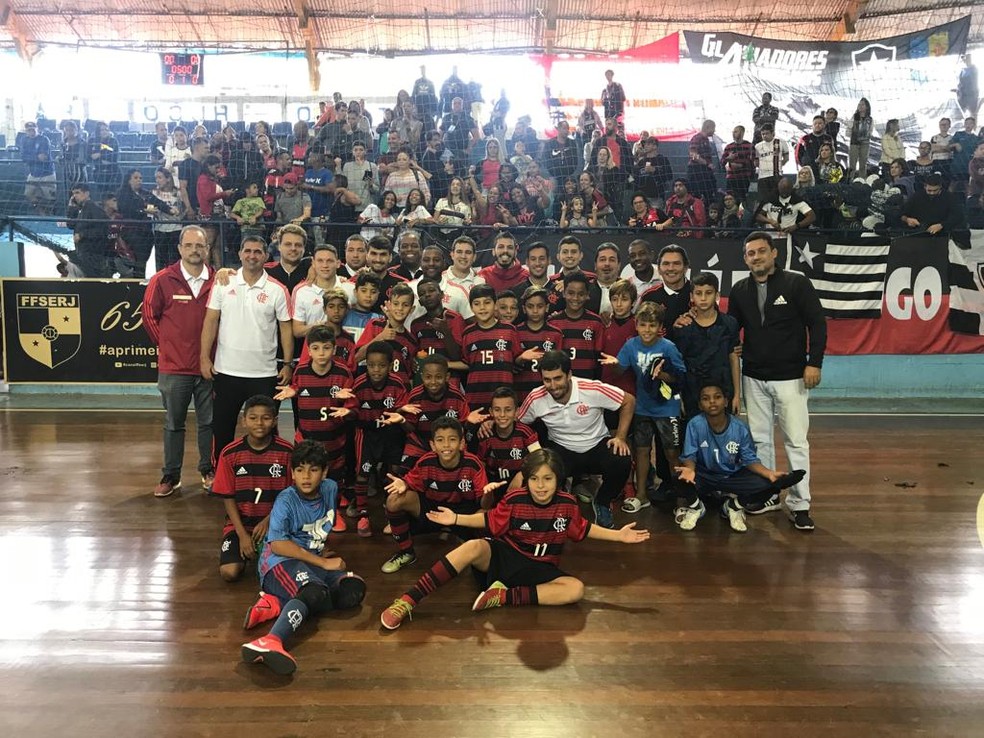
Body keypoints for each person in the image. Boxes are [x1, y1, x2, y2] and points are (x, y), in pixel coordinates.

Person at [380, 447, 650, 630]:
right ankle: (407, 600)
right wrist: (456, 519)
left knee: (575, 589)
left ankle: (504, 596)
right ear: (527, 480)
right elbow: (488, 520)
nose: (541, 485)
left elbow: (583, 528)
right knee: (473, 546)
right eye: (534, 479)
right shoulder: (515, 498)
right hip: (506, 557)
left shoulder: (567, 503)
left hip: (541, 568)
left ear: (559, 480)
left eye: (547, 479)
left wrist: (618, 536)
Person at [240, 440, 367, 676]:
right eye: (299, 470)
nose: (306, 477)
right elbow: (277, 545)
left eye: (313, 470)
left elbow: (319, 523)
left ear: (325, 472)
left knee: (353, 589)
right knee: (314, 592)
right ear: (292, 473)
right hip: (278, 563)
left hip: (308, 560)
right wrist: (322, 562)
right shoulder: (286, 500)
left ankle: (277, 603)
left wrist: (319, 550)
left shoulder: (329, 488)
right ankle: (271, 640)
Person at [727, 232, 826, 531]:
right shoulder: (739, 290)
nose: (756, 257)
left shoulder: (796, 283)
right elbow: (731, 330)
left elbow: (817, 324)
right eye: (750, 253)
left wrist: (814, 363)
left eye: (761, 251)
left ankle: (800, 503)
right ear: (745, 258)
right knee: (759, 440)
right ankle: (769, 494)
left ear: (773, 254)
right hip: (753, 376)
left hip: (792, 376)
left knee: (795, 441)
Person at [200, 236, 293, 466]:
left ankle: (269, 471)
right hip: (226, 372)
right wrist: (204, 358)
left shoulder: (277, 289)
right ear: (240, 254)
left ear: (265, 256)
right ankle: (219, 473)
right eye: (248, 251)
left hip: (264, 374)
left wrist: (288, 364)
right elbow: (211, 321)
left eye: (258, 252)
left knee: (266, 429)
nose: (252, 255)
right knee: (222, 428)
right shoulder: (223, 282)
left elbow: (286, 329)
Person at [517, 351, 634, 528]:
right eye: (547, 380)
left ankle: (602, 501)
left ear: (569, 375)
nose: (553, 385)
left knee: (622, 458)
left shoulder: (592, 388)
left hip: (596, 445)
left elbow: (629, 401)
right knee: (544, 463)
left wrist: (620, 437)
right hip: (562, 450)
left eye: (558, 378)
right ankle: (558, 503)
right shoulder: (535, 397)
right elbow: (518, 423)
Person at [142, 224, 216, 498]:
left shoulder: (219, 280)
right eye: (189, 245)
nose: (195, 250)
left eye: (200, 245)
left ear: (207, 249)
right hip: (174, 369)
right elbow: (149, 316)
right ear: (179, 249)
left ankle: (208, 470)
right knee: (174, 424)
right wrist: (168, 346)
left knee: (208, 423)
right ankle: (171, 475)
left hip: (209, 368)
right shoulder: (162, 279)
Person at [674, 383, 806, 533]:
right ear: (700, 405)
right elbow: (689, 454)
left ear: (726, 401)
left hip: (732, 476)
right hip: (706, 475)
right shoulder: (695, 424)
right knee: (678, 477)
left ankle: (733, 506)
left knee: (771, 485)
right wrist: (690, 470)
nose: (712, 401)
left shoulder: (740, 428)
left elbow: (749, 459)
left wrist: (769, 473)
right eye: (706, 399)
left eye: (717, 397)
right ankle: (697, 508)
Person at [381, 417, 500, 574]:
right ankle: (406, 552)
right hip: (433, 508)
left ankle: (484, 560)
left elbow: (485, 505)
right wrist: (404, 484)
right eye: (440, 440)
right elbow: (409, 482)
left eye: (452, 439)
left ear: (462, 443)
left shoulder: (473, 463)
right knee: (394, 500)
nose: (446, 445)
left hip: (462, 512)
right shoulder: (425, 461)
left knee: (486, 515)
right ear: (433, 445)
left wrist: (488, 494)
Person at [601, 302, 686, 515]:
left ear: (659, 327)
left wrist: (663, 375)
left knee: (672, 454)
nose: (647, 330)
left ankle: (683, 499)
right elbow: (621, 368)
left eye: (652, 325)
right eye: (643, 325)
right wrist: (614, 363)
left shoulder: (668, 347)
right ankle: (641, 495)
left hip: (668, 408)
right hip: (642, 408)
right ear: (636, 325)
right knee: (641, 451)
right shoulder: (631, 346)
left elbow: (681, 376)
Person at [272, 325, 355, 521]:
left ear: (334, 349)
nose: (321, 353)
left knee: (332, 476)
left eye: (326, 348)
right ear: (309, 350)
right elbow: (296, 386)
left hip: (334, 439)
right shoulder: (301, 370)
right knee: (306, 473)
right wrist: (292, 390)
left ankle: (332, 513)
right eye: (316, 348)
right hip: (306, 438)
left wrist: (348, 408)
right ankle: (303, 512)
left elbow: (353, 403)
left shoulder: (343, 373)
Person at [211, 395, 294, 582]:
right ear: (244, 420)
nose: (259, 423)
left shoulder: (287, 452)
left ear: (275, 422)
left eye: (266, 418)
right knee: (229, 573)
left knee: (279, 572)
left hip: (276, 523)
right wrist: (242, 535)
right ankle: (246, 548)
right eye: (253, 417)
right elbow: (228, 497)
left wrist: (269, 520)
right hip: (241, 525)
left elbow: (291, 495)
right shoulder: (230, 453)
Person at [349, 341, 407, 535]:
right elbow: (351, 410)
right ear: (366, 364)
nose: (376, 370)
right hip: (367, 434)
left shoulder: (397, 384)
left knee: (394, 471)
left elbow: (402, 410)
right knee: (363, 472)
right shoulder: (359, 384)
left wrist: (399, 414)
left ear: (390, 366)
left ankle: (391, 509)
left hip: (391, 434)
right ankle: (363, 514)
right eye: (371, 365)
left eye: (382, 365)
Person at [669, 272, 741, 418]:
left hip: (723, 392)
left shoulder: (730, 323)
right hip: (691, 394)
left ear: (717, 295)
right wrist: (680, 397)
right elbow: (678, 365)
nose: (703, 298)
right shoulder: (683, 327)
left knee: (722, 436)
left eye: (708, 293)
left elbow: (734, 358)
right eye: (698, 293)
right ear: (691, 297)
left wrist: (737, 395)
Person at [462, 284, 520, 409]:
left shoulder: (510, 330)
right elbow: (467, 362)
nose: (482, 308)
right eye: (477, 304)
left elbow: (516, 359)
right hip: (475, 398)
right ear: (471, 307)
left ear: (495, 305)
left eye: (487, 302)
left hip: (503, 399)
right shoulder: (468, 332)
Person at [354, 282, 418, 387]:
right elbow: (356, 357)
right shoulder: (376, 325)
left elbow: (409, 375)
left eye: (405, 305)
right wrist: (380, 337)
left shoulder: (411, 341)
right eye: (396, 304)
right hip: (373, 391)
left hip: (400, 394)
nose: (400, 308)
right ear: (389, 305)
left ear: (412, 309)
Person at [548, 272, 605, 380]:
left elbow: (599, 357)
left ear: (587, 295)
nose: (575, 298)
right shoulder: (553, 322)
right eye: (571, 293)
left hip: (588, 382)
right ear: (564, 293)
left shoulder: (596, 322)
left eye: (581, 294)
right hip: (562, 382)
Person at [65, 183, 110, 278]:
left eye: (77, 193)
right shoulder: (80, 209)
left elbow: (103, 230)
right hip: (83, 255)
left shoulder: (94, 209)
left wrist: (82, 235)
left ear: (87, 193)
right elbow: (70, 225)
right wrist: (71, 207)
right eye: (73, 194)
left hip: (94, 257)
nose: (74, 196)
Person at [21, 121, 56, 214]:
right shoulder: (24, 140)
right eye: (28, 130)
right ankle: (40, 211)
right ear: (26, 131)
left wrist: (30, 157)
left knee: (50, 197)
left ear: (37, 129)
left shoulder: (44, 139)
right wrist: (36, 157)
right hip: (33, 173)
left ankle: (50, 216)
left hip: (47, 173)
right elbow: (23, 157)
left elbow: (43, 157)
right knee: (28, 193)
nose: (31, 132)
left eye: (33, 129)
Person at [754, 124, 789, 204]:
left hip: (776, 176)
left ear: (773, 133)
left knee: (777, 200)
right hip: (762, 177)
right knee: (763, 201)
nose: (764, 136)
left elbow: (786, 158)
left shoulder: (781, 142)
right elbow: (756, 162)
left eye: (767, 133)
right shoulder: (758, 146)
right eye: (763, 134)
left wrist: (778, 165)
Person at [722, 125, 754, 204]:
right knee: (730, 200)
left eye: (736, 131)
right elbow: (722, 162)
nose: (733, 134)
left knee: (742, 201)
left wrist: (741, 165)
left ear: (742, 132)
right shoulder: (728, 147)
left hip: (744, 178)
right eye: (733, 132)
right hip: (731, 178)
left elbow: (753, 163)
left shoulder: (749, 146)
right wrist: (728, 159)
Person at [847, 98, 873, 179]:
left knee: (863, 164)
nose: (860, 106)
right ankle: (850, 180)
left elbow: (870, 130)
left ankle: (862, 180)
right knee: (852, 164)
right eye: (859, 105)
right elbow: (849, 129)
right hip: (854, 142)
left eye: (862, 105)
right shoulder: (854, 117)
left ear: (867, 107)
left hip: (865, 143)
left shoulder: (870, 119)